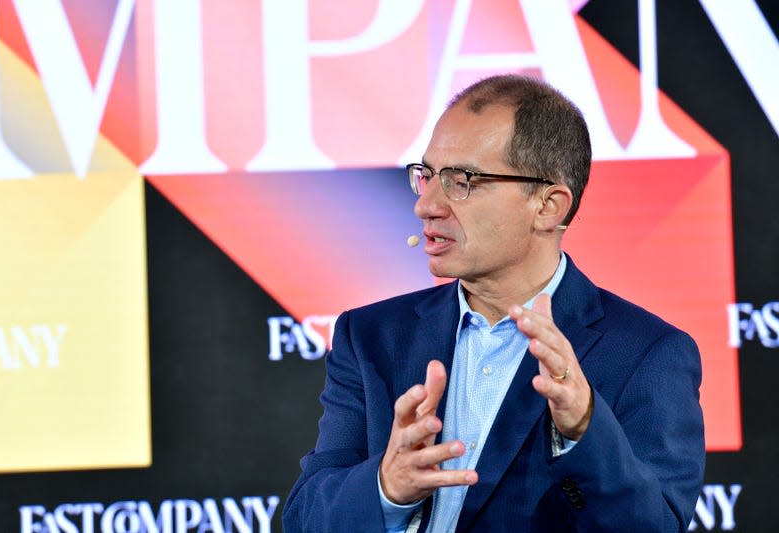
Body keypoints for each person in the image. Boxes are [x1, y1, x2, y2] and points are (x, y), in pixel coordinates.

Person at [282, 74, 705, 532]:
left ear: (548, 206)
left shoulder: (647, 354)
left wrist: (584, 428)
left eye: (462, 180)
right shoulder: (370, 337)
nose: (427, 205)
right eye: (427, 176)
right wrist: (386, 488)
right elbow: (305, 517)